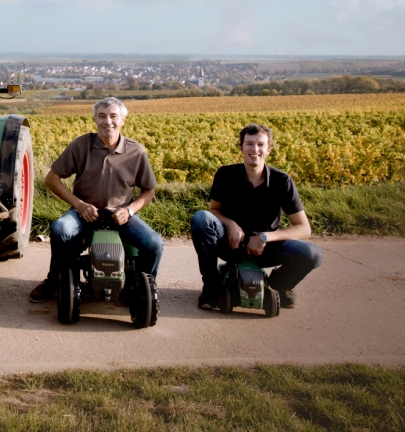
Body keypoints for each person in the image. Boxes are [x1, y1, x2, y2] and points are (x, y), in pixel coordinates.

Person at [29, 96, 163, 303]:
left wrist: (129, 211)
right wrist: (79, 205)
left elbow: (149, 191)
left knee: (154, 244)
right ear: (95, 120)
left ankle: (140, 287)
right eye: (102, 116)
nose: (107, 121)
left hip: (121, 215)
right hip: (84, 213)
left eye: (113, 116)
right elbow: (51, 179)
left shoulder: (136, 151)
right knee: (60, 229)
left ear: (123, 120)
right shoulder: (81, 145)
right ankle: (56, 280)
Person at [192, 123, 322, 310]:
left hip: (265, 248)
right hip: (231, 244)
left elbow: (303, 228)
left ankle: (280, 285)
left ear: (269, 150)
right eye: (249, 143)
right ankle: (212, 285)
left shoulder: (282, 181)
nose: (255, 149)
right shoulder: (225, 174)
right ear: (241, 148)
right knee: (200, 218)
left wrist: (265, 237)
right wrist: (230, 224)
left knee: (312, 254)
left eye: (261, 144)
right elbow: (213, 212)